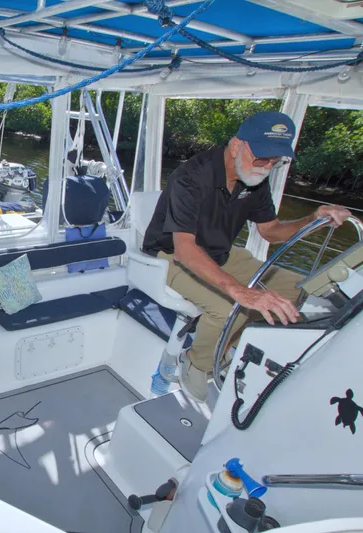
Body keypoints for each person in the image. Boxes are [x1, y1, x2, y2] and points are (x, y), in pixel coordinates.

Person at [142, 110, 351, 402]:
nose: (267, 166)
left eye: (275, 161)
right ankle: (196, 363)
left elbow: (271, 231)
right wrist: (244, 294)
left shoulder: (254, 180)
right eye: (262, 157)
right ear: (238, 145)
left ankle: (228, 347)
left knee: (303, 289)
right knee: (229, 307)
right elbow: (185, 250)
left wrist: (313, 218)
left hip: (221, 253)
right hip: (168, 255)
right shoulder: (190, 177)